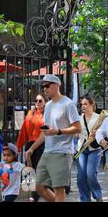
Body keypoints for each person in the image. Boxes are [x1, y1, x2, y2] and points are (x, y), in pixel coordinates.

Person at [25, 74, 81, 202]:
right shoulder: (48, 105)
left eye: (47, 85)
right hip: (47, 152)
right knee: (38, 186)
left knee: (58, 189)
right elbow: (45, 132)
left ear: (57, 85)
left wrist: (59, 131)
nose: (45, 89)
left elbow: (78, 128)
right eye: (43, 86)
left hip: (62, 152)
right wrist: (32, 148)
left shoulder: (68, 104)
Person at [16, 93, 48, 202]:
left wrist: (32, 148)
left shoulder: (47, 114)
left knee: (38, 170)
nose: (37, 103)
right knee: (29, 170)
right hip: (30, 143)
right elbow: (23, 129)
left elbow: (44, 134)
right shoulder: (31, 112)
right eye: (36, 100)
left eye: (40, 101)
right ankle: (32, 194)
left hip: (41, 145)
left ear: (45, 102)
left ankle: (34, 197)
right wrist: (19, 145)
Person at [76, 96, 103, 202]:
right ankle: (85, 200)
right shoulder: (78, 118)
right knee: (81, 177)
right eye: (82, 104)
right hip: (82, 149)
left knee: (90, 174)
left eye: (86, 104)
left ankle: (98, 196)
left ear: (92, 105)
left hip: (95, 148)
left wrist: (97, 133)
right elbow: (76, 133)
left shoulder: (99, 118)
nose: (83, 106)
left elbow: (104, 132)